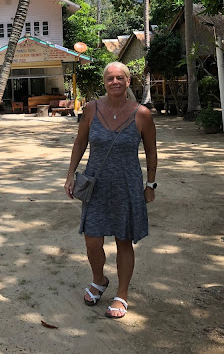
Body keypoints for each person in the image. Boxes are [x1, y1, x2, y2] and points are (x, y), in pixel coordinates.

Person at [64, 61, 157, 319]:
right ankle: (99, 279)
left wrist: (150, 184)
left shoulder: (142, 114)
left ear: (128, 81)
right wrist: (70, 175)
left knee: (123, 240)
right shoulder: (91, 109)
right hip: (96, 184)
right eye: (110, 78)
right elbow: (80, 141)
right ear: (104, 82)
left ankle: (122, 294)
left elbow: (151, 151)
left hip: (127, 185)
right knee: (92, 240)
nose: (114, 81)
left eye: (119, 77)